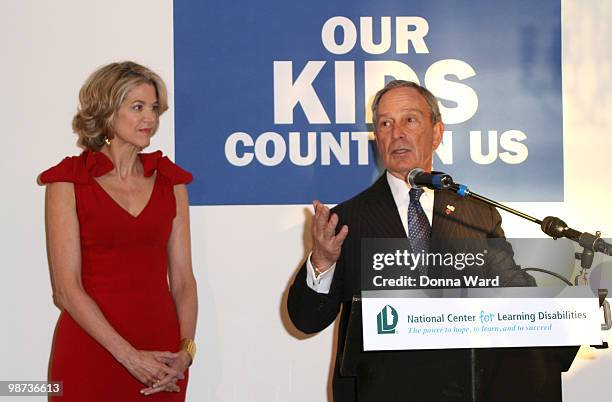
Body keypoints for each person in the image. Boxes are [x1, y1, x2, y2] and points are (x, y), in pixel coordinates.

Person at [287, 80, 566, 402]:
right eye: (385, 123)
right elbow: (306, 320)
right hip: (381, 391)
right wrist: (322, 261)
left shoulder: (477, 214)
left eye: (410, 119)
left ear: (436, 132)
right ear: (377, 137)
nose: (397, 133)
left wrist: (564, 309)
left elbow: (513, 288)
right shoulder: (347, 220)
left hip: (469, 388)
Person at [39, 61, 198, 401]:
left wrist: (186, 353)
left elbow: (184, 280)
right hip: (89, 352)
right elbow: (66, 291)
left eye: (154, 108)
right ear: (107, 111)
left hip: (161, 360)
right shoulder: (68, 182)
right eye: (137, 107)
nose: (150, 119)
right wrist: (128, 356)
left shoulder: (171, 182)